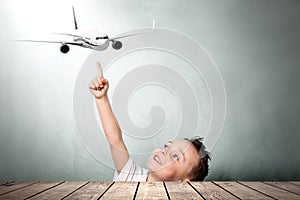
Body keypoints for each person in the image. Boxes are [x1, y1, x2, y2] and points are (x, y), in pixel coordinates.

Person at [89, 62, 210, 182]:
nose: (163, 152)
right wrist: (101, 99)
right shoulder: (132, 175)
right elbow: (115, 140)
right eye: (166, 147)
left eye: (175, 156)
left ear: (183, 182)